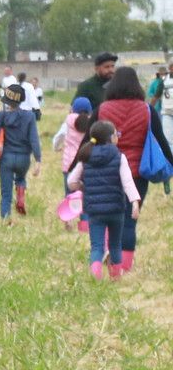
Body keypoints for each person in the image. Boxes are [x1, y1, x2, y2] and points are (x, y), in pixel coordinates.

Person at [95, 65, 173, 272]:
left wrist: (76, 164)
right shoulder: (146, 110)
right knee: (129, 221)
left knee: (107, 215)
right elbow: (162, 141)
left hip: (107, 172)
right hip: (137, 174)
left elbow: (89, 138)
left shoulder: (103, 109)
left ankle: (106, 254)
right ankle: (125, 265)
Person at [66, 119, 140, 279]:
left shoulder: (86, 156)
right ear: (111, 138)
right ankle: (115, 277)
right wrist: (134, 202)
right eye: (116, 134)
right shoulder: (119, 157)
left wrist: (83, 187)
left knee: (97, 246)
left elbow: (71, 181)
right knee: (115, 245)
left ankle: (95, 276)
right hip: (116, 210)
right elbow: (127, 182)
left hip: (94, 211)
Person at [0, 84, 42, 221]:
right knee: (20, 179)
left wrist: (1, 131)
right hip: (24, 158)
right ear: (21, 100)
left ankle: (6, 218)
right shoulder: (29, 116)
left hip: (6, 157)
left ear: (6, 100)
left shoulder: (0, 116)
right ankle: (20, 193)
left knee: (6, 193)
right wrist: (38, 160)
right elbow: (34, 139)